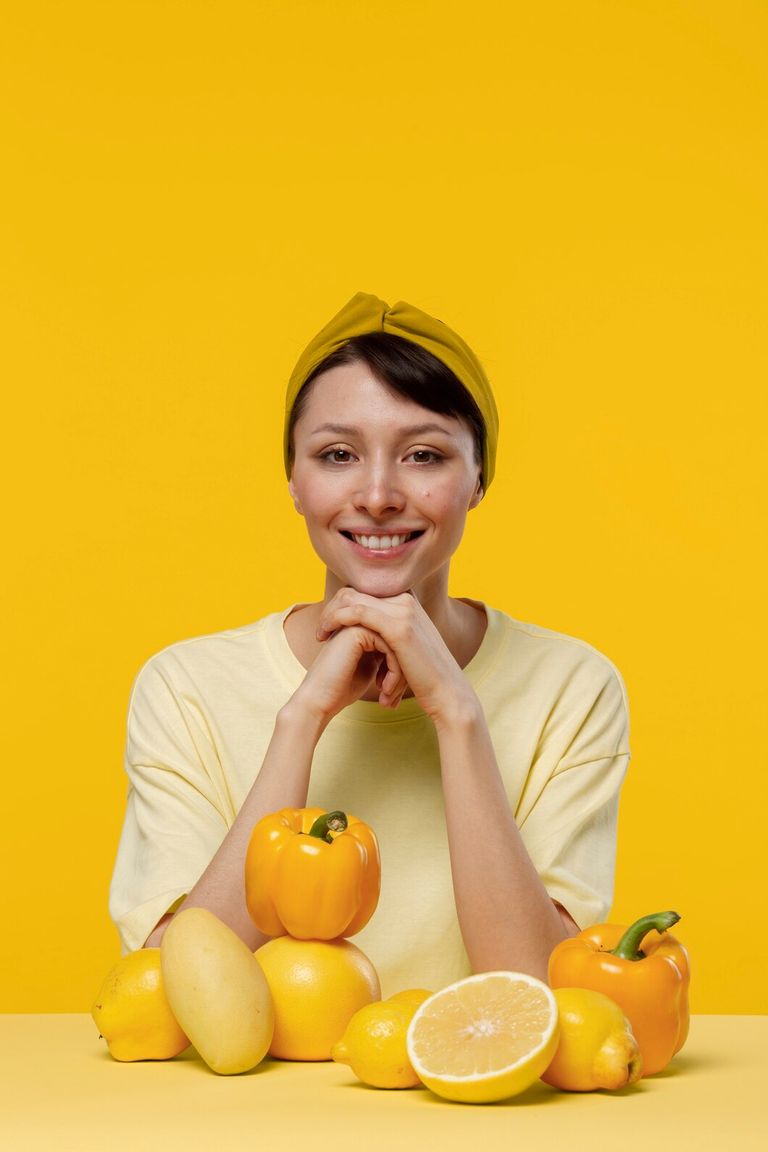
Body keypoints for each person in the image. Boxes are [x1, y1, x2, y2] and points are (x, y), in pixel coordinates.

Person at [109, 291, 630, 994]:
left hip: (469, 1094)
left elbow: (537, 995)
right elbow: (182, 990)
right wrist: (302, 722)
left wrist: (456, 711)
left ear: (478, 478)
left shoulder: (572, 687)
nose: (379, 494)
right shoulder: (186, 687)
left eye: (423, 455)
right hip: (257, 1105)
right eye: (337, 454)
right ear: (293, 479)